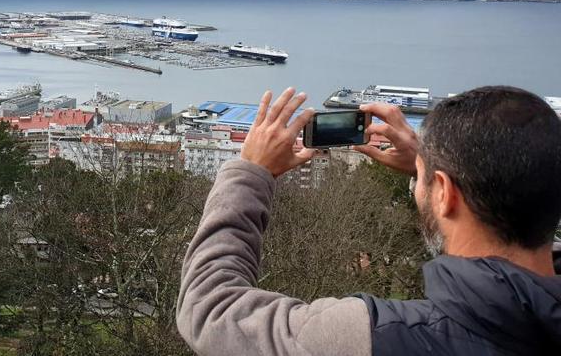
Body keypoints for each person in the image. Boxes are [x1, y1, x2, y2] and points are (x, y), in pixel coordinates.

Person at [176, 86, 561, 355]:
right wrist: (432, 172)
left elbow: (210, 310)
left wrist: (251, 171)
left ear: (445, 194)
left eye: (427, 181)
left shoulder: (378, 337)